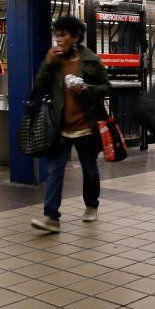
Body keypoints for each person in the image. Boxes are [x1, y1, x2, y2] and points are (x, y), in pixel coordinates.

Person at [30, 15, 111, 233]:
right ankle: (51, 217)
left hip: (86, 127)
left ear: (75, 37)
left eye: (63, 35)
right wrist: (47, 63)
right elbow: (39, 85)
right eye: (57, 35)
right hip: (60, 127)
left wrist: (87, 89)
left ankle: (91, 205)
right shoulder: (54, 61)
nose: (58, 39)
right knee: (55, 170)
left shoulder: (91, 60)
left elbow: (106, 87)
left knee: (90, 170)